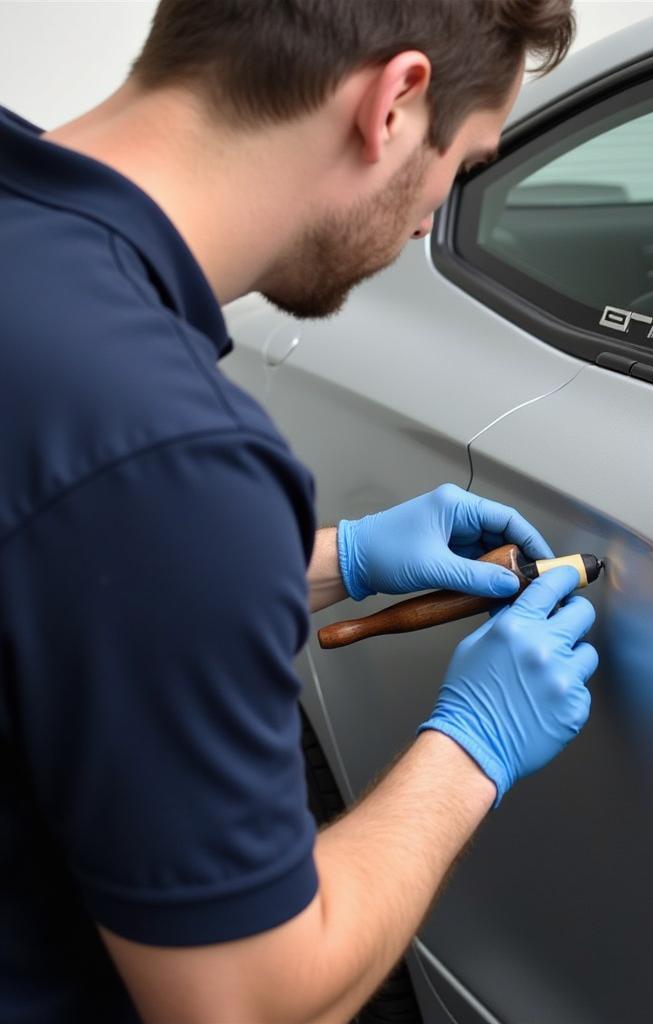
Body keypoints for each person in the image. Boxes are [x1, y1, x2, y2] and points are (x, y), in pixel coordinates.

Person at [0, 2, 599, 1022]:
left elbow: (49, 563)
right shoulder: (173, 454)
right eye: (467, 157)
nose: (429, 221)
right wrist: (470, 748)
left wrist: (334, 559)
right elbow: (245, 1000)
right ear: (396, 102)